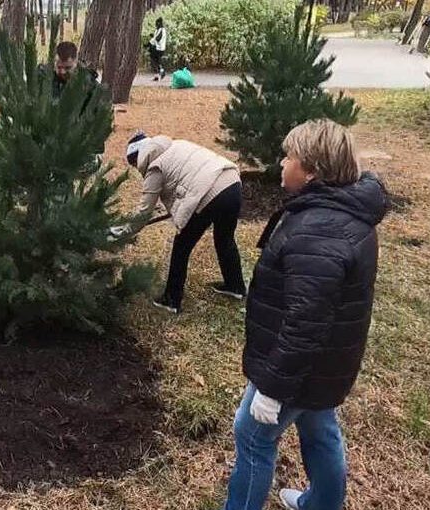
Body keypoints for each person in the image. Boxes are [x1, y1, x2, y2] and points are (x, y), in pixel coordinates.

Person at [222, 120, 388, 510]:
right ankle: (323, 503)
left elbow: (304, 324)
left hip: (300, 366)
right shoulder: (340, 211)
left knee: (251, 435)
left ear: (311, 170)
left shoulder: (319, 232)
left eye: (289, 156)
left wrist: (272, 388)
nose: (281, 163)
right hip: (326, 363)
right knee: (319, 426)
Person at [114, 132, 245, 314]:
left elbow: (143, 213)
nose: (137, 169)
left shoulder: (154, 166)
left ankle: (171, 300)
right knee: (225, 238)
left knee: (181, 247)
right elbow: (186, 181)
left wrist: (120, 233)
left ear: (137, 158)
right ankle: (235, 287)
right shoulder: (176, 144)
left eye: (134, 164)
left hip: (208, 193)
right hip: (231, 182)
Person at [148, 17, 167, 81]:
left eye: (157, 23)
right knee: (155, 61)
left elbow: (158, 38)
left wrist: (150, 42)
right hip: (156, 48)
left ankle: (161, 72)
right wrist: (152, 36)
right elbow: (155, 37)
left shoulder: (162, 30)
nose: (156, 24)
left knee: (154, 61)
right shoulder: (157, 30)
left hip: (160, 49)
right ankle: (158, 74)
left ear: (159, 23)